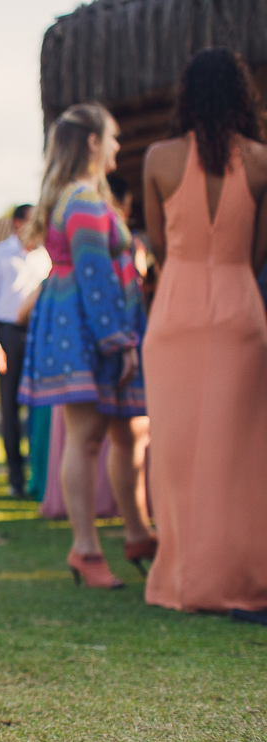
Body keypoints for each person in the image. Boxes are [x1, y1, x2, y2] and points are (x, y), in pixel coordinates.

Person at [141, 47, 267, 617]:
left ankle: (183, 577)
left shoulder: (159, 159)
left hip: (176, 312)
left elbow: (160, 247)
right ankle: (238, 575)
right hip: (240, 305)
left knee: (175, 450)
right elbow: (261, 251)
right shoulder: (263, 162)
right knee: (240, 453)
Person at [18, 102, 154, 589]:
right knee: (88, 435)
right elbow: (95, 277)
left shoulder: (78, 198)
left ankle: (137, 532)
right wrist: (120, 341)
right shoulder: (85, 202)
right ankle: (86, 548)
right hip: (89, 324)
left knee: (127, 432)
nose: (118, 146)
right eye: (112, 137)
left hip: (81, 319)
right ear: (93, 142)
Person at [0, 205, 50, 495]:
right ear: (18, 224)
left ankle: (40, 474)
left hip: (41, 335)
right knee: (9, 407)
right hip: (7, 334)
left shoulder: (45, 257)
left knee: (42, 406)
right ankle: (15, 477)